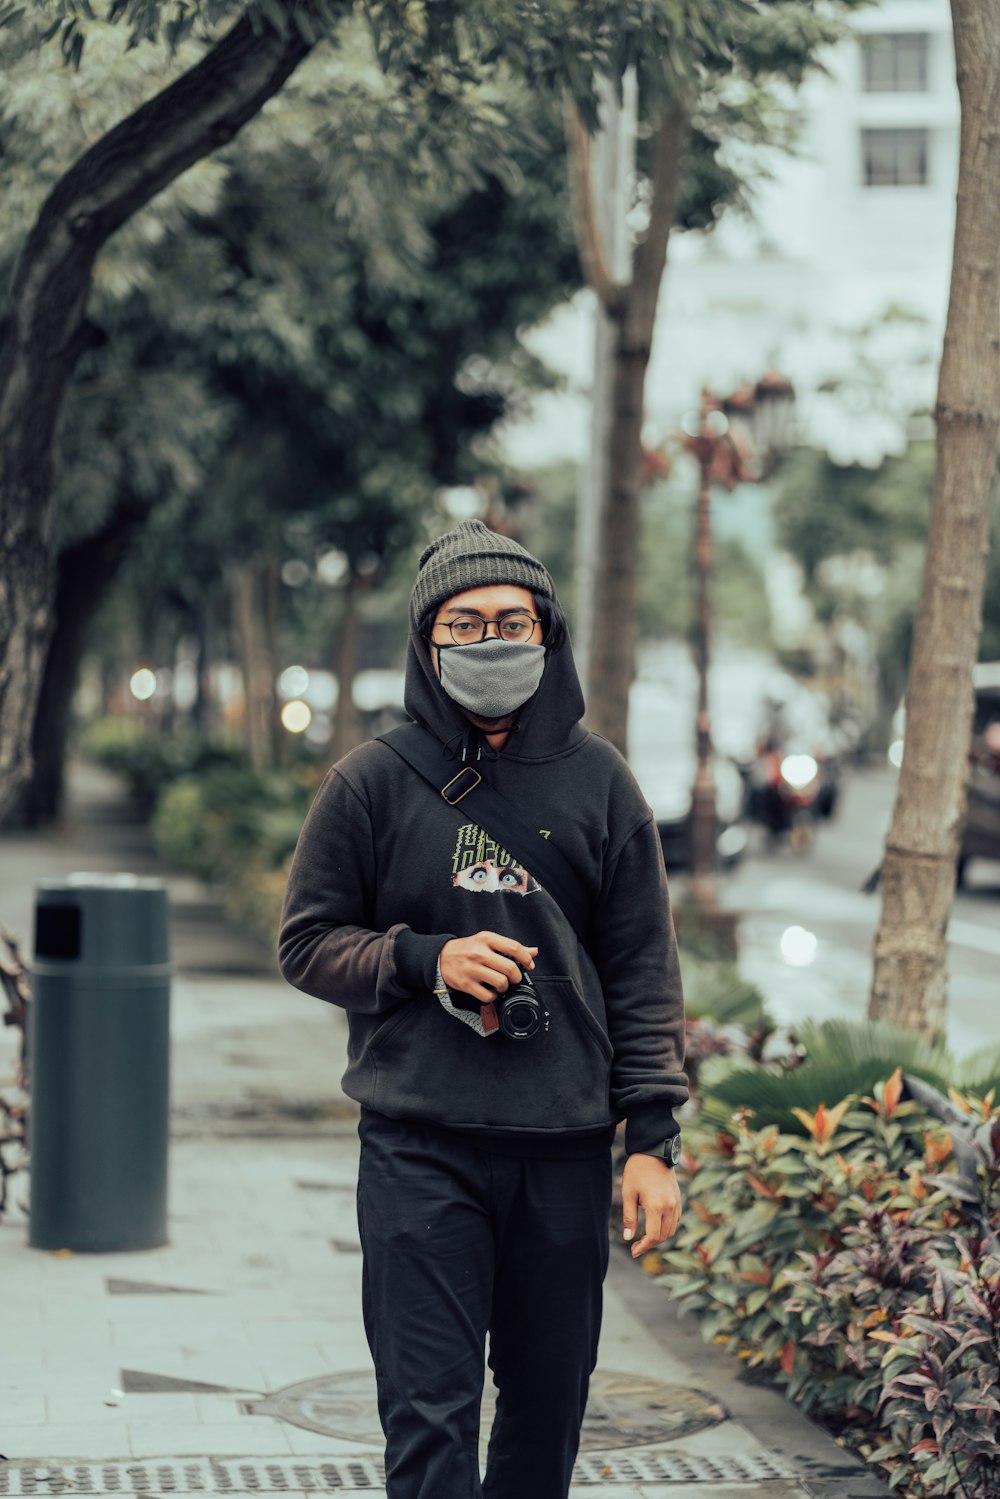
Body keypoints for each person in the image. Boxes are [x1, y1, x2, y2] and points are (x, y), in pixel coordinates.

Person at [278, 520, 687, 1499]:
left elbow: (640, 968)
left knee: (545, 1418)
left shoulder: (601, 782)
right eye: (465, 623)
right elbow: (305, 943)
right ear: (426, 642)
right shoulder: (371, 781)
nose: (491, 640)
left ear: (548, 633)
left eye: (513, 620)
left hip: (564, 1148)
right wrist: (425, 958)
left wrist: (652, 1138)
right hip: (420, 1145)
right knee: (427, 1413)